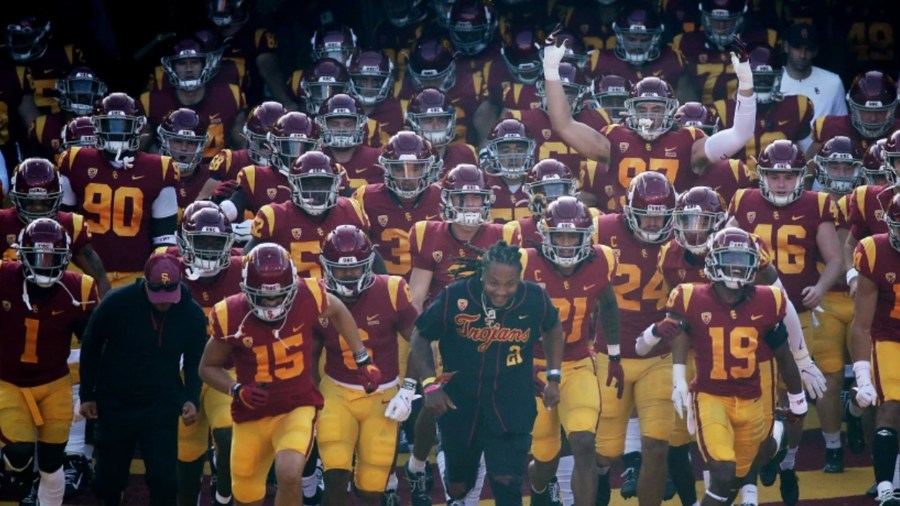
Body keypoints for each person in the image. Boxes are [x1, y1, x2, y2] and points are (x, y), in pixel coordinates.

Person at [200, 242, 379, 506]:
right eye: (262, 296)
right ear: (245, 290)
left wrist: (362, 358)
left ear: (292, 287)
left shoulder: (308, 295)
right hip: (251, 413)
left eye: (278, 295)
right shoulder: (230, 313)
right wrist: (235, 389)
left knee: (289, 471)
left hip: (296, 406)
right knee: (247, 495)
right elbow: (207, 367)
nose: (271, 303)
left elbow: (338, 309)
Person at [408, 240, 565, 506]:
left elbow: (553, 327)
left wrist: (553, 375)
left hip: (512, 402)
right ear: (482, 274)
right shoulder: (454, 296)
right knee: (459, 488)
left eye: (510, 284)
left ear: (520, 279)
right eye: (493, 282)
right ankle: (454, 459)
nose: (501, 291)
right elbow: (420, 336)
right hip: (460, 401)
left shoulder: (534, 298)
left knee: (507, 484)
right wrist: (430, 385)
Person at [664, 227, 808, 506]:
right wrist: (679, 377)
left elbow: (782, 352)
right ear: (713, 261)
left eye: (743, 260)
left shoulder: (768, 299)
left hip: (750, 396)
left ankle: (776, 438)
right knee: (722, 470)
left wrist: (797, 397)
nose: (736, 267)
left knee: (737, 476)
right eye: (729, 259)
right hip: (710, 395)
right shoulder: (690, 296)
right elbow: (678, 330)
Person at [79, 253, 207, 506]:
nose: (163, 303)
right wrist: (87, 394)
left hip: (161, 403)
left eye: (169, 294)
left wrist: (192, 397)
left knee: (166, 482)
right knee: (107, 481)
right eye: (157, 294)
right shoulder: (116, 302)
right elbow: (91, 345)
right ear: (145, 283)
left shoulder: (192, 314)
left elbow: (195, 362)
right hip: (116, 400)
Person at [520, 197, 621, 506]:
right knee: (546, 458)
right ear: (544, 236)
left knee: (584, 442)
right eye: (558, 236)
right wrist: (518, 368)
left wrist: (614, 354)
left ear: (586, 237)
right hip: (534, 368)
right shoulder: (524, 263)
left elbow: (609, 303)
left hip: (577, 363)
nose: (565, 244)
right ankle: (539, 490)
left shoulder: (601, 260)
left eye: (572, 236)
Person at [313, 225, 419, 506]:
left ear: (368, 265)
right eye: (340, 268)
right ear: (326, 267)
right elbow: (309, 355)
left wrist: (408, 390)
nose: (348, 275)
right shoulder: (315, 296)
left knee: (372, 490)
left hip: (383, 397)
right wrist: (309, 399)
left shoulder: (392, 289)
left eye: (355, 268)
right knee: (336, 477)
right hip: (336, 392)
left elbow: (420, 341)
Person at [0, 218, 99, 506]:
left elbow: (92, 347)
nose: (43, 264)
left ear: (67, 258)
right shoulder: (4, 277)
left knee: (52, 461)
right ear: (21, 254)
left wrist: (90, 393)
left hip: (54, 382)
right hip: (8, 380)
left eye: (51, 257)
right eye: (37, 256)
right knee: (19, 453)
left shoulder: (79, 288)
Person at [58, 92, 180, 288]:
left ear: (138, 126)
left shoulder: (160, 169)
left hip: (135, 274)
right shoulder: (75, 160)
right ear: (97, 125)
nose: (116, 132)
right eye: (109, 124)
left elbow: (164, 238)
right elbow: (63, 223)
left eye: (123, 125)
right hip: (83, 272)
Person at [850, 192, 900, 506]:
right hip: (888, 337)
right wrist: (862, 373)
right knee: (891, 406)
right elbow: (861, 324)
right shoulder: (874, 251)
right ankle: (885, 489)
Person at [777, 23, 847, 152]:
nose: (803, 55)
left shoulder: (833, 82)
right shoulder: (773, 82)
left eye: (808, 49)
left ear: (815, 51)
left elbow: (842, 128)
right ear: (786, 47)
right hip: (782, 161)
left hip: (824, 161)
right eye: (797, 47)